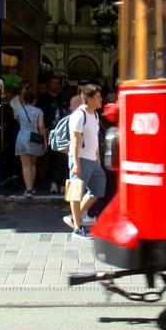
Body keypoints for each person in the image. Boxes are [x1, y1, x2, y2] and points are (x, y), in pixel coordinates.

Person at [63, 84, 106, 240]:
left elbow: (94, 139)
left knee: (98, 190)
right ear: (89, 98)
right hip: (80, 158)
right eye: (98, 97)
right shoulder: (79, 115)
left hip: (93, 160)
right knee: (75, 192)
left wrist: (98, 160)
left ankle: (74, 217)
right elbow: (75, 140)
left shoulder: (94, 115)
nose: (101, 99)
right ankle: (77, 228)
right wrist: (75, 163)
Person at [37, 74, 69, 193]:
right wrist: (44, 129)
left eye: (57, 83)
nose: (55, 85)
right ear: (49, 84)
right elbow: (39, 115)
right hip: (49, 132)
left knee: (64, 158)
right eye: (53, 83)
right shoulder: (43, 99)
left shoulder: (63, 98)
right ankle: (53, 182)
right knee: (52, 159)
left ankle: (62, 183)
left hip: (64, 133)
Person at [14, 91, 47, 196]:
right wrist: (44, 141)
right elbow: (41, 126)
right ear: (34, 100)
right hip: (35, 138)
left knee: (25, 166)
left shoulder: (19, 111)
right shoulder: (39, 111)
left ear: (24, 100)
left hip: (22, 137)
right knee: (33, 164)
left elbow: (19, 122)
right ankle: (31, 187)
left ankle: (28, 189)